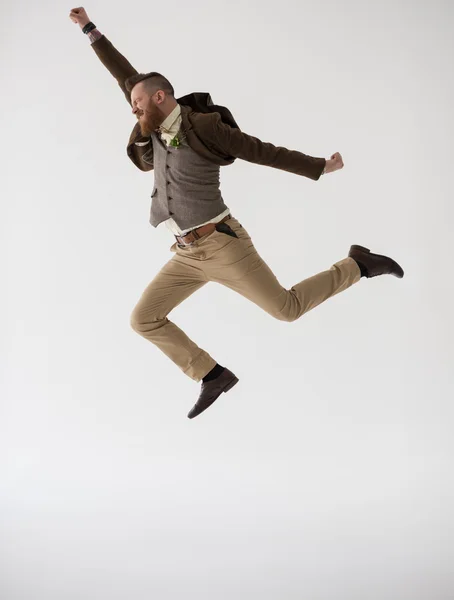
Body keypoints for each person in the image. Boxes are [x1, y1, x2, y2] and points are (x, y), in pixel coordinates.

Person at [69, 8, 404, 420]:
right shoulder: (152, 124)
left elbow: (259, 149)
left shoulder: (203, 125)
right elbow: (125, 77)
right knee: (144, 318)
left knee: (287, 309)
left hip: (222, 243)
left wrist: (319, 165)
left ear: (160, 98)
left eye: (138, 102)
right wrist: (89, 30)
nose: (132, 108)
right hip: (185, 254)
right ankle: (211, 375)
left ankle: (357, 265)